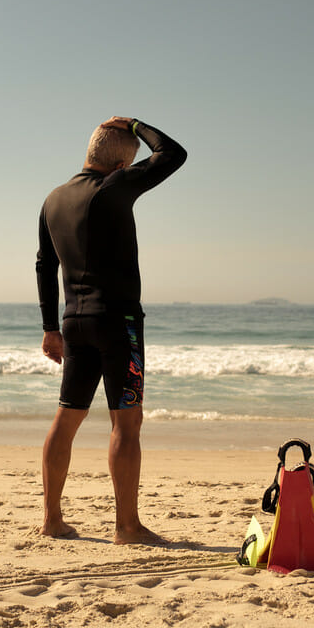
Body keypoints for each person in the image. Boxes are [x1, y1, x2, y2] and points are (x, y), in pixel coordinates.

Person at [35, 116, 187, 545]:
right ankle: (127, 527)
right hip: (119, 324)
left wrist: (50, 328)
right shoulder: (114, 187)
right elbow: (173, 154)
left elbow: (45, 265)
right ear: (122, 165)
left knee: (67, 417)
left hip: (74, 323)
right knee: (127, 423)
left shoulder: (54, 198)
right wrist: (137, 124)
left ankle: (52, 520)